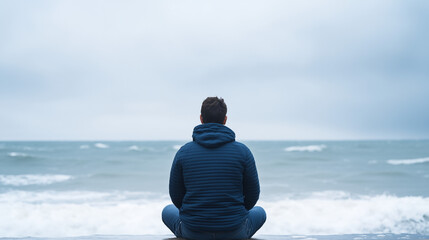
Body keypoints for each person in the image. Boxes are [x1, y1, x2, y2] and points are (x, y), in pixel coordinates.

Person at [162, 97, 266, 240]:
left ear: (201, 118)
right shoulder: (243, 152)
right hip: (234, 232)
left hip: (193, 232)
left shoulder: (183, 152)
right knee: (260, 212)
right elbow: (252, 197)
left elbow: (176, 197)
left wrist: (197, 215)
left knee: (167, 211)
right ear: (225, 120)